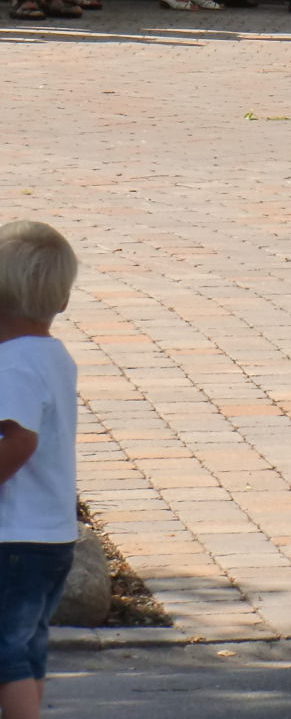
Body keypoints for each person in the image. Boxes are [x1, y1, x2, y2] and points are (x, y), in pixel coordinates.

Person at [0, 221, 80, 719]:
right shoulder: (54, 357)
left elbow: (19, 439)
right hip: (53, 535)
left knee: (3, 650)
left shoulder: (12, 364)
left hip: (13, 535)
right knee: (27, 644)